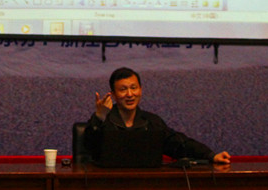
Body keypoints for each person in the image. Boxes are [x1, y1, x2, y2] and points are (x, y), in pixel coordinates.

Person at [84, 67, 231, 164]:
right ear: (114, 95)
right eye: (123, 89)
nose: (129, 94)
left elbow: (180, 144)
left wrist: (211, 155)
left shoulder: (151, 122)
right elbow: (89, 148)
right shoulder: (103, 121)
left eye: (134, 88)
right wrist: (99, 117)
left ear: (140, 90)